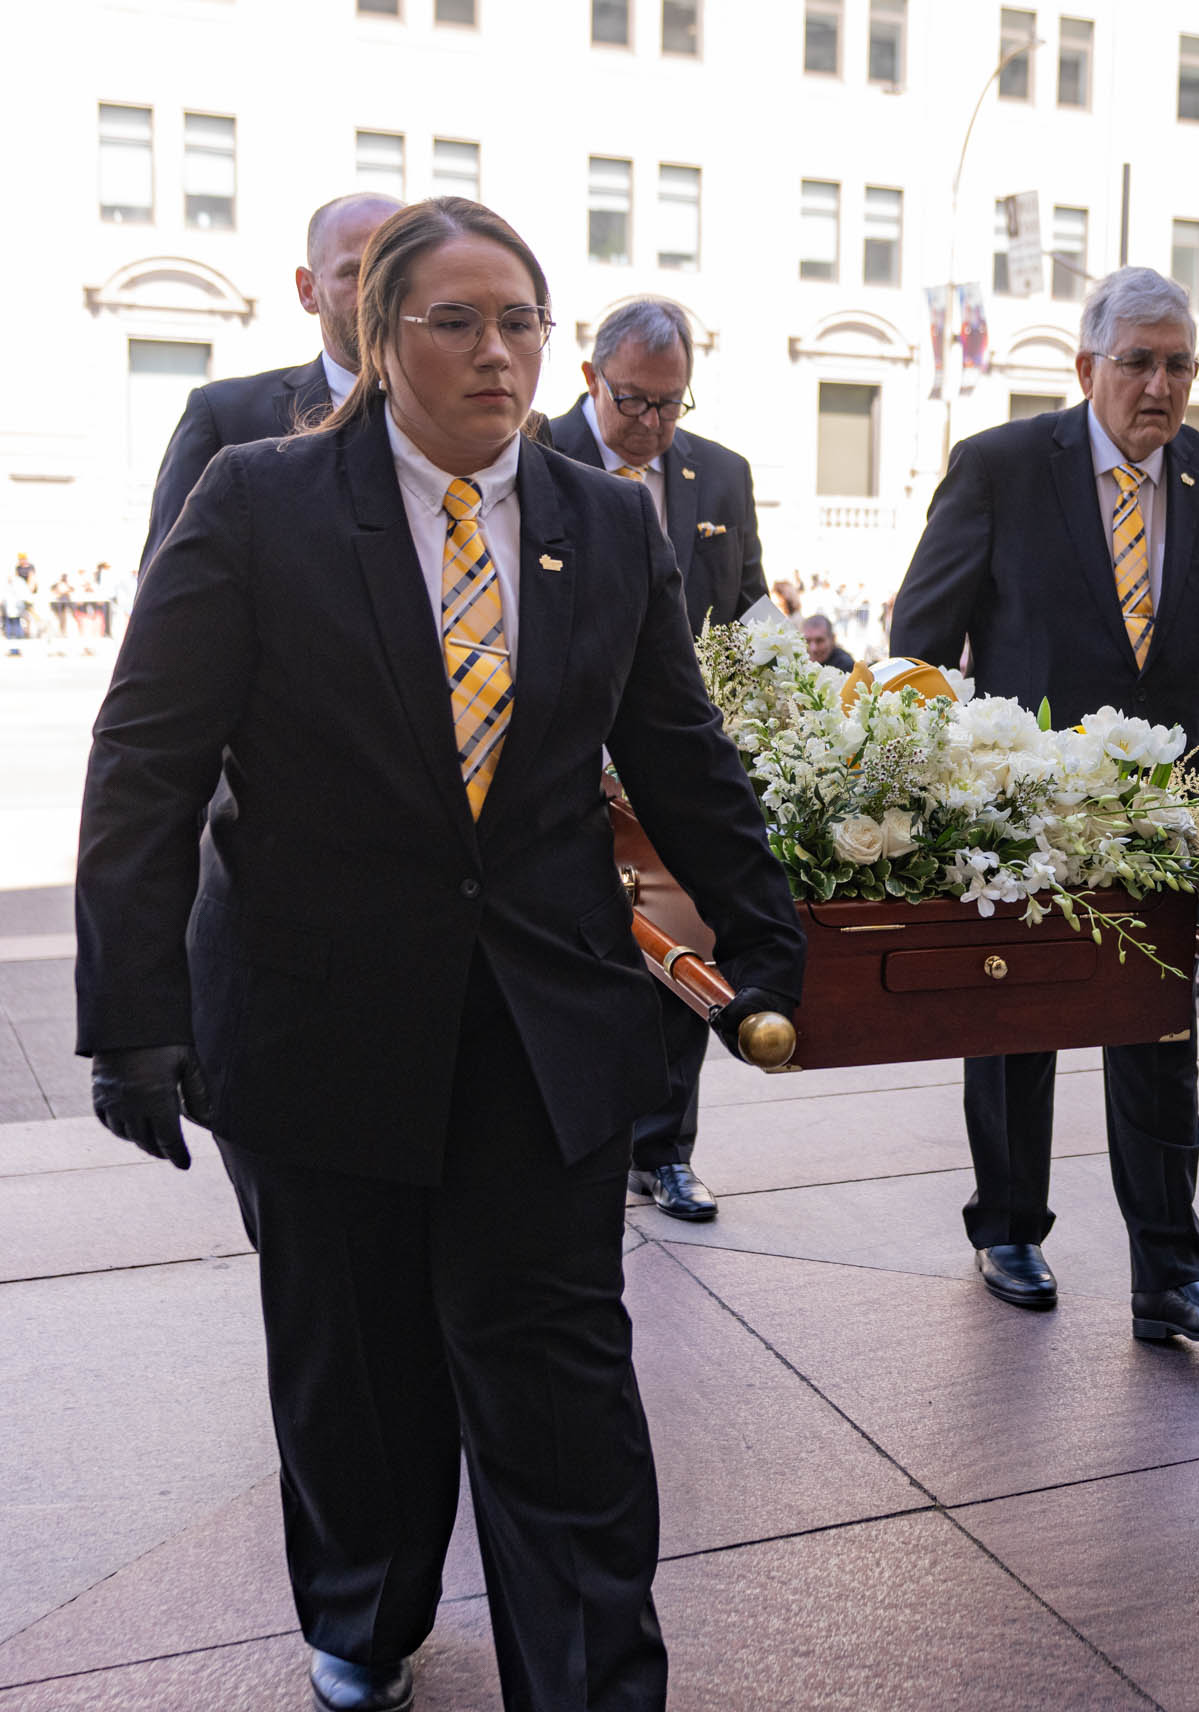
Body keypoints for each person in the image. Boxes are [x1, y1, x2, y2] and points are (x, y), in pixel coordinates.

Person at [73, 197, 807, 1712]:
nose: (497, 352)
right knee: (361, 1367)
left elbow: (677, 748)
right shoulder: (257, 502)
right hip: (311, 1023)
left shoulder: (606, 521)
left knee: (558, 1374)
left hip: (539, 1027)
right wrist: (128, 1017)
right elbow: (147, 763)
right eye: (455, 322)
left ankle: (595, 1677)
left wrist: (771, 942)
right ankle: (367, 1614)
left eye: (521, 321)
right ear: (372, 336)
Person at [889, 267, 1199, 1342]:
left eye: (1178, 363)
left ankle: (1170, 1272)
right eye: (1138, 361)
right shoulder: (1000, 468)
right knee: (1013, 1024)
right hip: (1023, 814)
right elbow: (918, 645)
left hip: (1161, 820)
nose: (1160, 384)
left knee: (1157, 1035)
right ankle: (1008, 1226)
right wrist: (943, 795)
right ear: (1085, 365)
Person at [545, 296, 770, 1222]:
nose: (651, 425)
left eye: (672, 405)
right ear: (592, 379)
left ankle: (665, 1149)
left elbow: (749, 602)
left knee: (687, 945)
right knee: (585, 953)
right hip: (563, 759)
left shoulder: (719, 475)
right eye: (633, 402)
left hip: (674, 753)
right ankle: (580, 1139)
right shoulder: (532, 452)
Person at [141, 193, 400, 574]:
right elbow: (167, 602)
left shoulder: (473, 424)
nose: (380, 294)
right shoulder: (226, 419)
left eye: (397, 272)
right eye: (355, 274)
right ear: (308, 290)